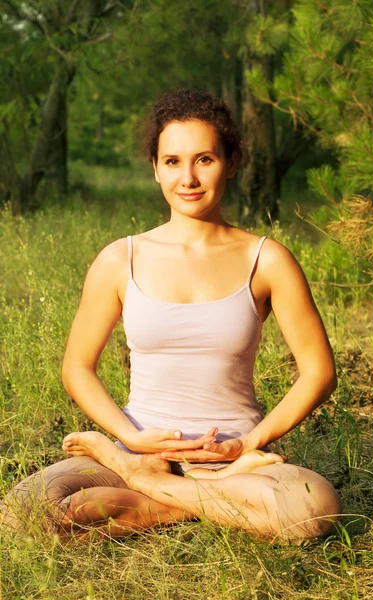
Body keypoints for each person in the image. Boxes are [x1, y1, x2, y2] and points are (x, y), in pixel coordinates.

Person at [1, 89, 341, 542]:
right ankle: (166, 486)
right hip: (137, 450)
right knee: (21, 512)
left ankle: (157, 498)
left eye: (204, 159)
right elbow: (77, 368)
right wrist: (132, 443)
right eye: (173, 161)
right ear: (156, 168)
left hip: (233, 462)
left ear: (231, 162)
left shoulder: (268, 260)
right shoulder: (120, 259)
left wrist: (251, 443)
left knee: (314, 508)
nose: (189, 178)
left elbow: (318, 372)